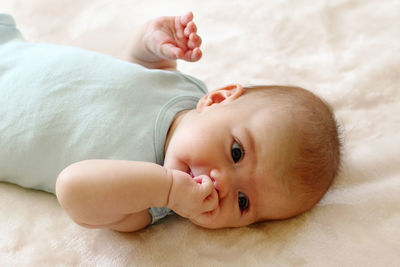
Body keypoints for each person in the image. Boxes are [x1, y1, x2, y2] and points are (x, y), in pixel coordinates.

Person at [0, 12, 341, 232]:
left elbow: (72, 188)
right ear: (218, 99)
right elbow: (133, 75)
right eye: (236, 153)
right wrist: (149, 48)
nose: (221, 184)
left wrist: (168, 189)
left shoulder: (145, 201)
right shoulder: (184, 90)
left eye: (242, 202)